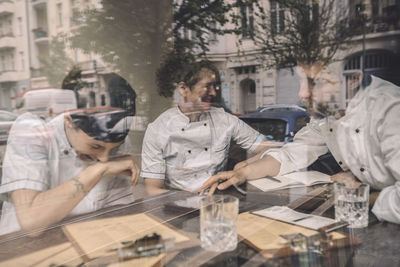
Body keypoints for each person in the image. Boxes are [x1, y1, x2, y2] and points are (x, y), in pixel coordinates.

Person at [201, 63, 400, 225]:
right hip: (362, 215)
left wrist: (358, 192)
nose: (303, 93)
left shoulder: (391, 109)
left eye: (317, 83)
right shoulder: (328, 111)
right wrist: (243, 173)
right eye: (303, 81)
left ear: (353, 79)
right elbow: (292, 154)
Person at [0, 76, 139, 235]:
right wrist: (99, 170)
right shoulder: (31, 132)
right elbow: (32, 223)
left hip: (85, 238)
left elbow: (118, 209)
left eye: (112, 149)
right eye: (95, 146)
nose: (104, 157)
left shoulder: (117, 143)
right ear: (68, 121)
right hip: (20, 248)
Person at [141, 61, 275, 195]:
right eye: (207, 86)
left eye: (215, 86)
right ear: (183, 89)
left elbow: (270, 147)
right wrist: (190, 200)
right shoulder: (158, 129)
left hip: (217, 201)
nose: (213, 92)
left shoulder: (226, 120)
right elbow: (153, 190)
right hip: (176, 207)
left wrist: (242, 168)